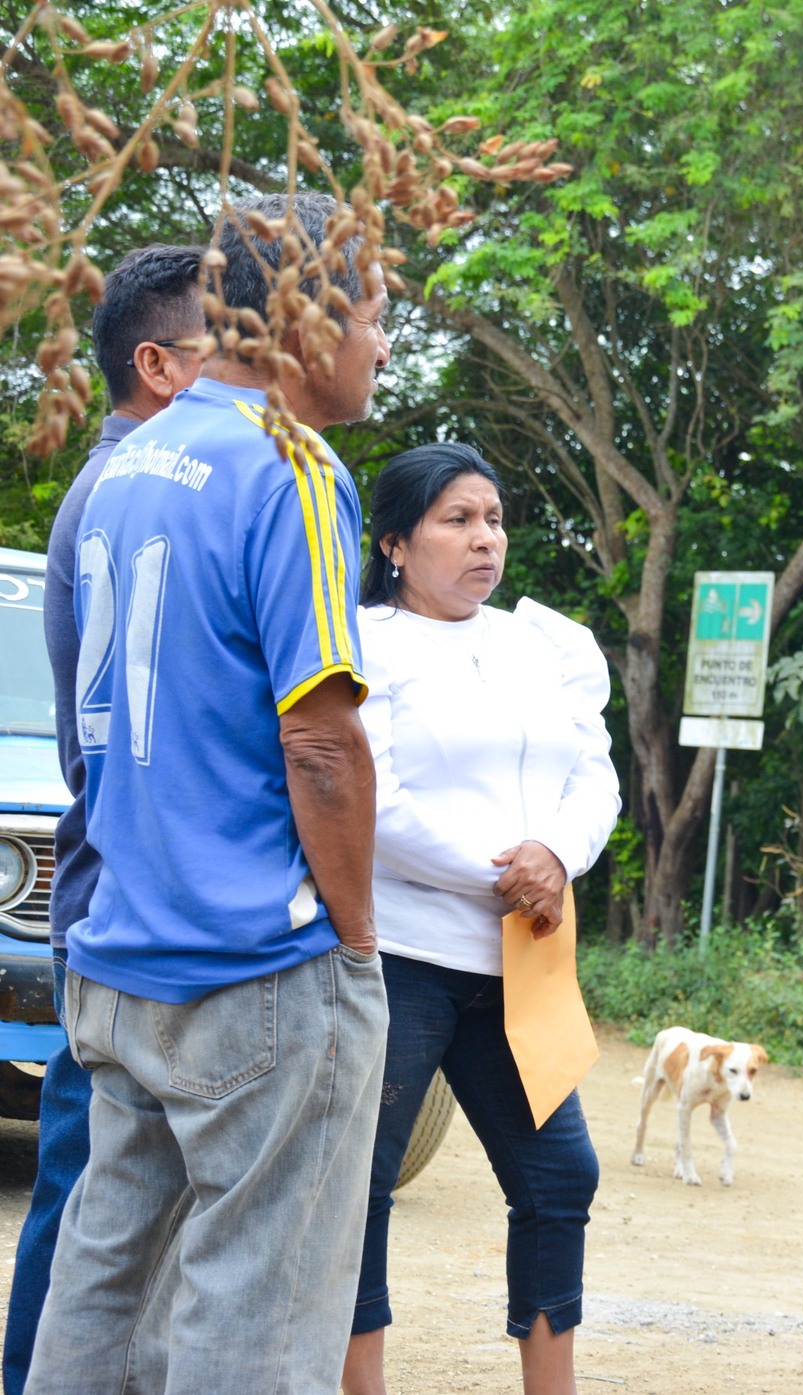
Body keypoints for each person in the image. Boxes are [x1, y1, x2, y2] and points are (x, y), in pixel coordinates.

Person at [26, 192, 391, 1395]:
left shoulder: (128, 464)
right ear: (309, 314)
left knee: (104, 1280)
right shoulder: (291, 464)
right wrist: (354, 942)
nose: (383, 343)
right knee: (257, 1308)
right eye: (375, 311)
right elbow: (322, 744)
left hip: (122, 952)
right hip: (253, 964)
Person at [341, 442, 618, 1395]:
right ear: (394, 542)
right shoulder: (364, 642)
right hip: (402, 954)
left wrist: (558, 856)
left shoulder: (544, 643)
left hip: (520, 959)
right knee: (359, 1183)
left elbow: (595, 775)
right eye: (457, 520)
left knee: (560, 1177)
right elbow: (371, 801)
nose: (485, 539)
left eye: (493, 519)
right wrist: (506, 875)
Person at [3, 244, 206, 1395]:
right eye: (223, 347)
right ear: (157, 366)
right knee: (87, 1189)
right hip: (118, 894)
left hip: (115, 893)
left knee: (106, 1194)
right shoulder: (127, 495)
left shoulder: (129, 488)